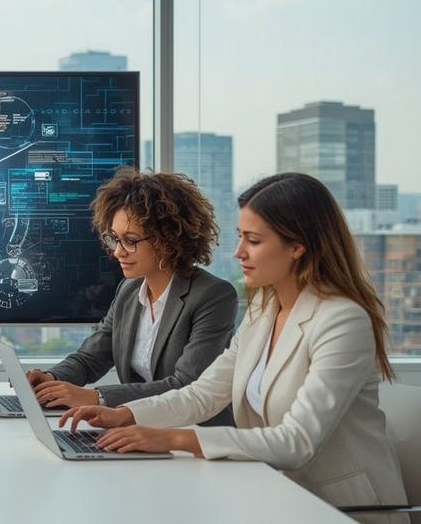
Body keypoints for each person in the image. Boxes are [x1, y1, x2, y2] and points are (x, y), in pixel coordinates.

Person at [60, 173, 408, 521]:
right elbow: (203, 394)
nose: (238, 251)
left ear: (297, 246)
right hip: (275, 492)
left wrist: (175, 440)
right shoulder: (263, 310)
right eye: (241, 236)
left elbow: (297, 441)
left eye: (253, 240)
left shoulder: (342, 320)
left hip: (342, 508)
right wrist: (125, 415)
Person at [26, 167, 236, 425]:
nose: (117, 252)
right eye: (114, 239)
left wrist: (97, 397)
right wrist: (52, 379)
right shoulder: (129, 290)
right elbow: (90, 358)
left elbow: (186, 385)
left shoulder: (213, 296)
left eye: (131, 240)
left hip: (195, 435)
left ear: (167, 240)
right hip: (139, 432)